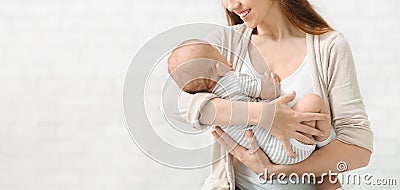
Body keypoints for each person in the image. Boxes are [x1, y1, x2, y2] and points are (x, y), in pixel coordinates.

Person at [165, 0, 373, 189]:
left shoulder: (328, 46)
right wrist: (263, 114)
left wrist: (276, 173)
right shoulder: (226, 42)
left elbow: (359, 149)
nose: (230, 6)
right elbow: (173, 104)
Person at [167, 39, 332, 167]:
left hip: (267, 155)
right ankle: (325, 143)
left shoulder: (209, 104)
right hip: (287, 146)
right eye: (222, 56)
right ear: (219, 68)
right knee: (314, 101)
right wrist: (270, 82)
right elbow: (270, 92)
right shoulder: (234, 80)